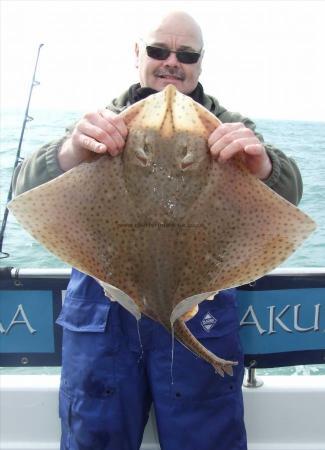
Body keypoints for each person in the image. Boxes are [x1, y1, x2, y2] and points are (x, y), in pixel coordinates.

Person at [13, 11, 302, 450]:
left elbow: (290, 194)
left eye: (186, 54)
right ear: (137, 54)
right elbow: (26, 191)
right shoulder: (101, 122)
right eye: (158, 50)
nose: (172, 62)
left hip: (198, 301)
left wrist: (261, 164)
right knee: (96, 435)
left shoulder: (226, 124)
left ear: (200, 63)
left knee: (204, 436)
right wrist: (73, 149)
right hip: (105, 301)